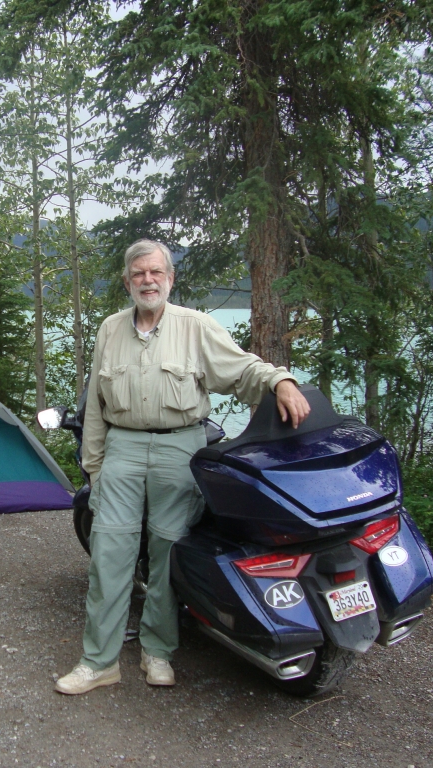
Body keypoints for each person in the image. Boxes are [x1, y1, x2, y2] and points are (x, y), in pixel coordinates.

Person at [55, 239, 311, 695]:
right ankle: (99, 661)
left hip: (180, 449)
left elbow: (243, 370)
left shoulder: (197, 327)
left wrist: (281, 380)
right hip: (123, 449)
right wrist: (94, 465)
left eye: (156, 272)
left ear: (170, 279)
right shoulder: (110, 330)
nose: (147, 281)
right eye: (138, 274)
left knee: (168, 556)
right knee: (110, 556)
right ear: (127, 281)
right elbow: (94, 403)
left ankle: (158, 652)